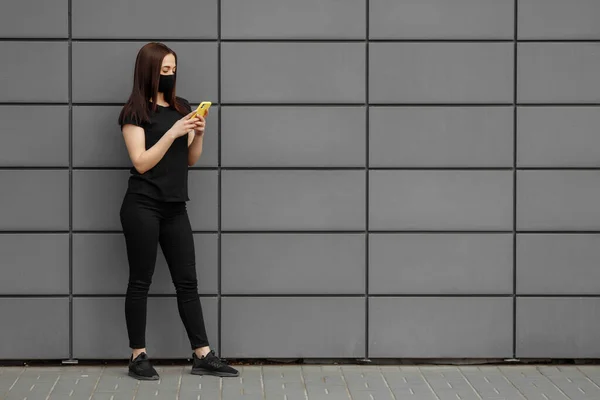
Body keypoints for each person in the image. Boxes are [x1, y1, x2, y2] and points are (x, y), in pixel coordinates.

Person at [117, 42, 238, 380]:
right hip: (141, 205)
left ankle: (202, 355)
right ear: (148, 71)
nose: (169, 76)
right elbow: (141, 162)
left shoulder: (181, 107)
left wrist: (198, 132)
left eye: (173, 70)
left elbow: (189, 160)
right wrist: (172, 132)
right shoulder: (133, 113)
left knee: (188, 282)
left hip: (174, 207)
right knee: (140, 281)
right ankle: (137, 357)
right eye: (163, 70)